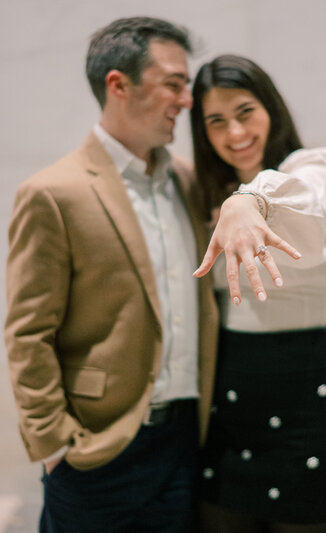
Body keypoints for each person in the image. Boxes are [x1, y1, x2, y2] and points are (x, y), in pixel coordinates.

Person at [5, 17, 217, 533]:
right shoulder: (54, 192)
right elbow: (27, 334)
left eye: (185, 85)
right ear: (118, 85)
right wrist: (55, 445)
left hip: (187, 443)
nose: (186, 101)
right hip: (97, 451)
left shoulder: (191, 181)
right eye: (173, 83)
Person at [190, 55, 326, 533]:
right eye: (216, 121)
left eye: (245, 112)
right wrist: (232, 200)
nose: (234, 133)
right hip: (231, 390)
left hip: (309, 385)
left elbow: (312, 198)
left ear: (271, 108)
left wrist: (252, 200)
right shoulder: (204, 192)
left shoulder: (315, 168)